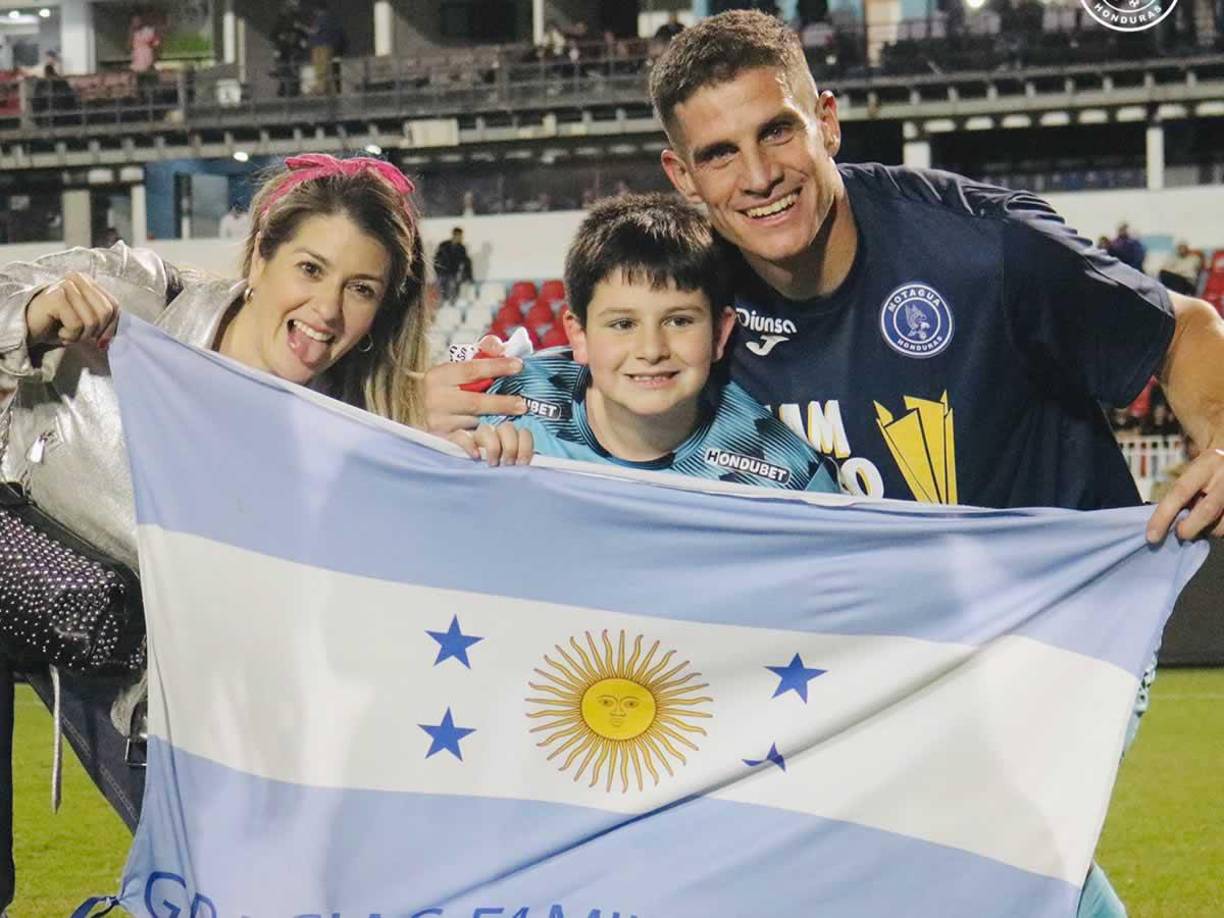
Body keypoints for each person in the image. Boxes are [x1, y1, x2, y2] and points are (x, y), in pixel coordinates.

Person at [419, 10, 1224, 916]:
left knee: (963, 834)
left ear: (827, 121)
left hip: (1054, 623)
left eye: (778, 131)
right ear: (682, 177)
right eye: (720, 154)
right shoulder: (701, 288)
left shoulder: (982, 249)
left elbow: (1182, 330)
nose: (759, 177)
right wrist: (450, 403)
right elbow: (604, 364)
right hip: (873, 649)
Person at [0, 153, 429, 910]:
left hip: (139, 671)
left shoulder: (352, 437)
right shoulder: (137, 293)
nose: (326, 309)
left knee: (237, 892)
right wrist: (34, 318)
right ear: (260, 252)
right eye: (309, 268)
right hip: (13, 568)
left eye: (360, 289)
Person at [469, 193, 838, 494]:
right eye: (623, 324)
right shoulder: (505, 406)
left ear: (719, 334)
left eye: (678, 321)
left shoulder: (783, 476)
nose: (651, 349)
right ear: (579, 335)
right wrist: (446, 442)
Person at [433, 227, 472, 304]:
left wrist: (469, 276)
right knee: (442, 288)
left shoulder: (461, 248)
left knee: (453, 285)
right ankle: (443, 301)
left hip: (453, 273)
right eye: (459, 236)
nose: (460, 238)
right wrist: (438, 271)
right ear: (455, 235)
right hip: (443, 272)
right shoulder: (444, 245)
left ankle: (452, 301)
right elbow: (437, 259)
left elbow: (466, 262)